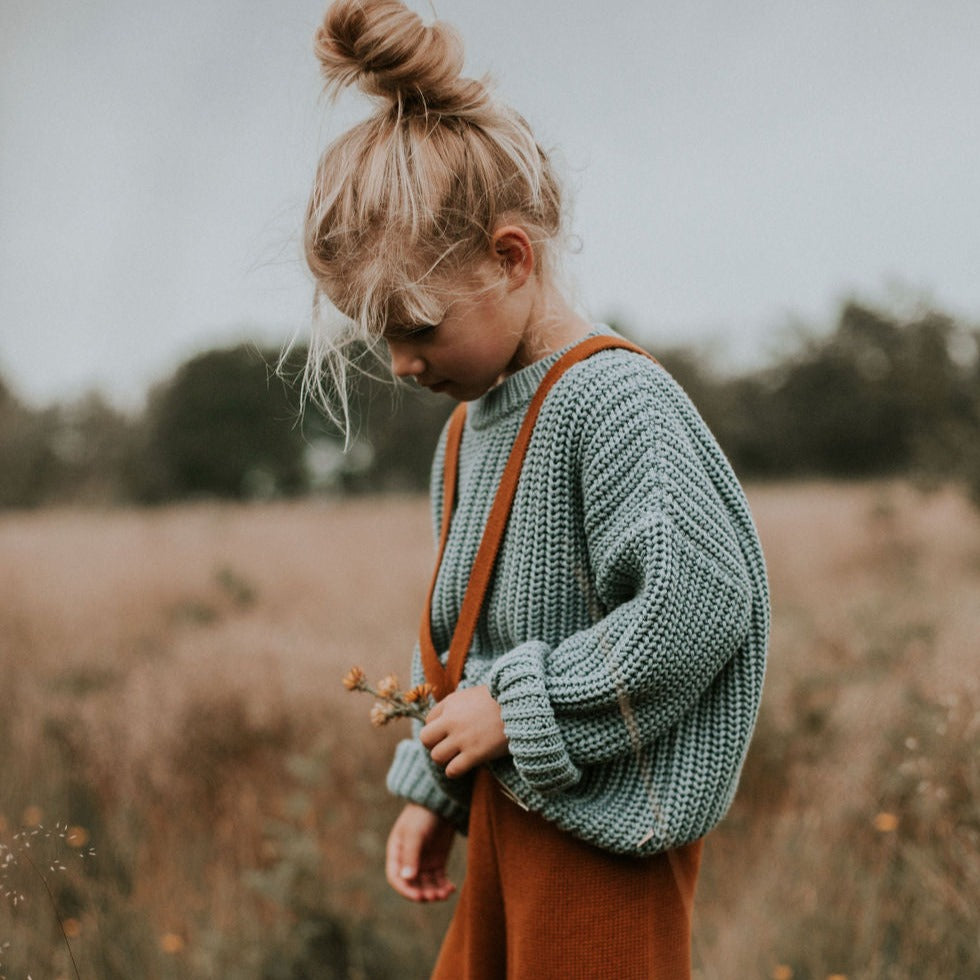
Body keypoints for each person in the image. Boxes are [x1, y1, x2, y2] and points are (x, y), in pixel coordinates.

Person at [300, 2, 769, 977]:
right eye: (375, 335)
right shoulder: (473, 424)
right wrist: (434, 781)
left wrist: (516, 709)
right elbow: (476, 639)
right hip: (515, 817)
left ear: (510, 258)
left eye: (417, 327)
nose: (399, 362)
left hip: (607, 836)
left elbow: (699, 602)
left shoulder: (611, 400)